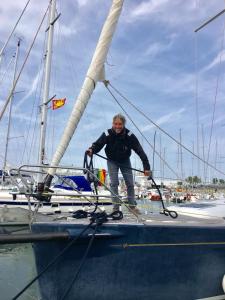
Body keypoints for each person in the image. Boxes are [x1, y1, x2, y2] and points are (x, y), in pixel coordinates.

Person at [87, 114, 151, 214]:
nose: (117, 126)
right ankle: (116, 208)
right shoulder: (107, 134)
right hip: (112, 161)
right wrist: (91, 150)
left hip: (125, 161)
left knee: (130, 183)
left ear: (123, 124)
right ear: (113, 124)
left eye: (120, 124)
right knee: (114, 183)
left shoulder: (129, 135)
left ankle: (132, 207)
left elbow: (140, 151)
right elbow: (98, 144)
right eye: (115, 124)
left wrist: (146, 167)